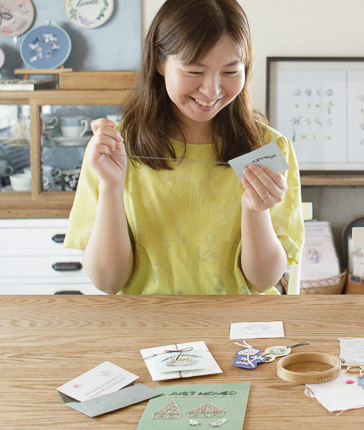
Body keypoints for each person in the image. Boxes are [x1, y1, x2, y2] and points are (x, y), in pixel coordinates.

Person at [64, 0, 303, 295]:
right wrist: (112, 187)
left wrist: (256, 211)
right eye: (194, 71)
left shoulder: (266, 147)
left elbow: (261, 281)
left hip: (239, 329)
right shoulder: (116, 148)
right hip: (150, 328)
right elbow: (108, 282)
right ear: (160, 61)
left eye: (230, 72)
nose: (212, 90)